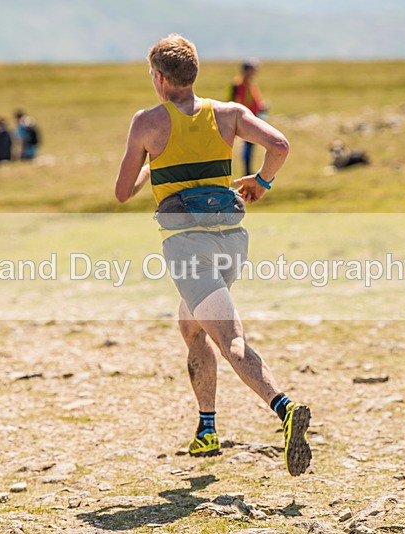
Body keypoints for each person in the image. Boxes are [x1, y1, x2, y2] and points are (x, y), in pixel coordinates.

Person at [114, 34, 312, 477]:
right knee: (191, 326)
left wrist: (150, 162)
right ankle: (207, 429)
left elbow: (123, 192)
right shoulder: (228, 113)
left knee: (230, 340)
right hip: (232, 241)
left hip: (189, 248)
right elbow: (280, 147)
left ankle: (285, 409)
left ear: (159, 77)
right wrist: (262, 182)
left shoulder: (147, 122)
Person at [229, 59, 267, 176]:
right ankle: (246, 171)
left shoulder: (251, 84)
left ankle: (248, 170)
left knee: (251, 145)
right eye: (252, 70)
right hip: (245, 118)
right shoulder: (237, 85)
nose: (254, 72)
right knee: (248, 145)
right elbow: (232, 101)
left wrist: (261, 107)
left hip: (254, 116)